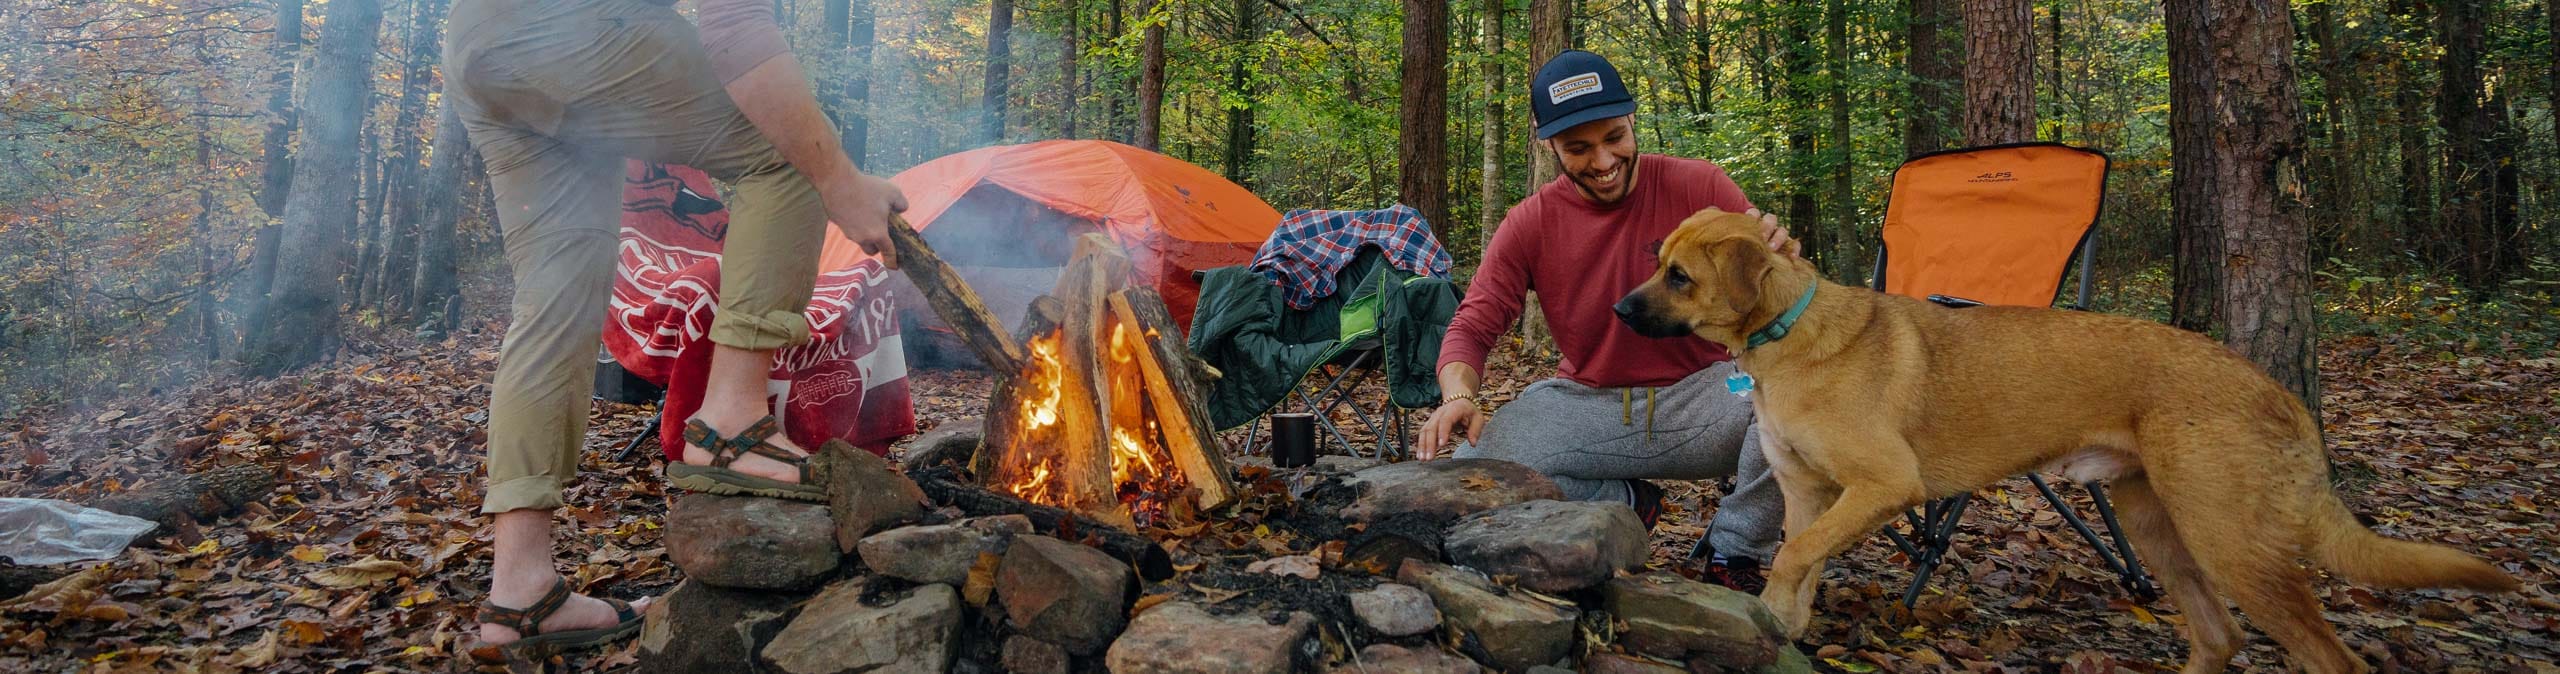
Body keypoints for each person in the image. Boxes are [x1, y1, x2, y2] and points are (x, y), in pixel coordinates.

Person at [442, 0, 904, 653]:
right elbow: (734, 24)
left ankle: (520, 592)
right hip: (564, 27)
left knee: (553, 306)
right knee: (789, 152)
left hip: (480, 43)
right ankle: (731, 423)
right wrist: (837, 178)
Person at [1414, 50, 1800, 590]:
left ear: (1632, 119)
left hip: (1707, 397)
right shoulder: (1530, 222)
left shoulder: (1700, 186)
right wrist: (1457, 395)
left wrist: (1781, 252)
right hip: (1589, 405)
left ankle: (1736, 551)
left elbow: (1774, 281)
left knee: (1790, 395)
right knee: (1471, 470)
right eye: (1578, 148)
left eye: (1614, 137)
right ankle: (1624, 503)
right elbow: (1473, 325)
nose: (1602, 161)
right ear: (1547, 143)